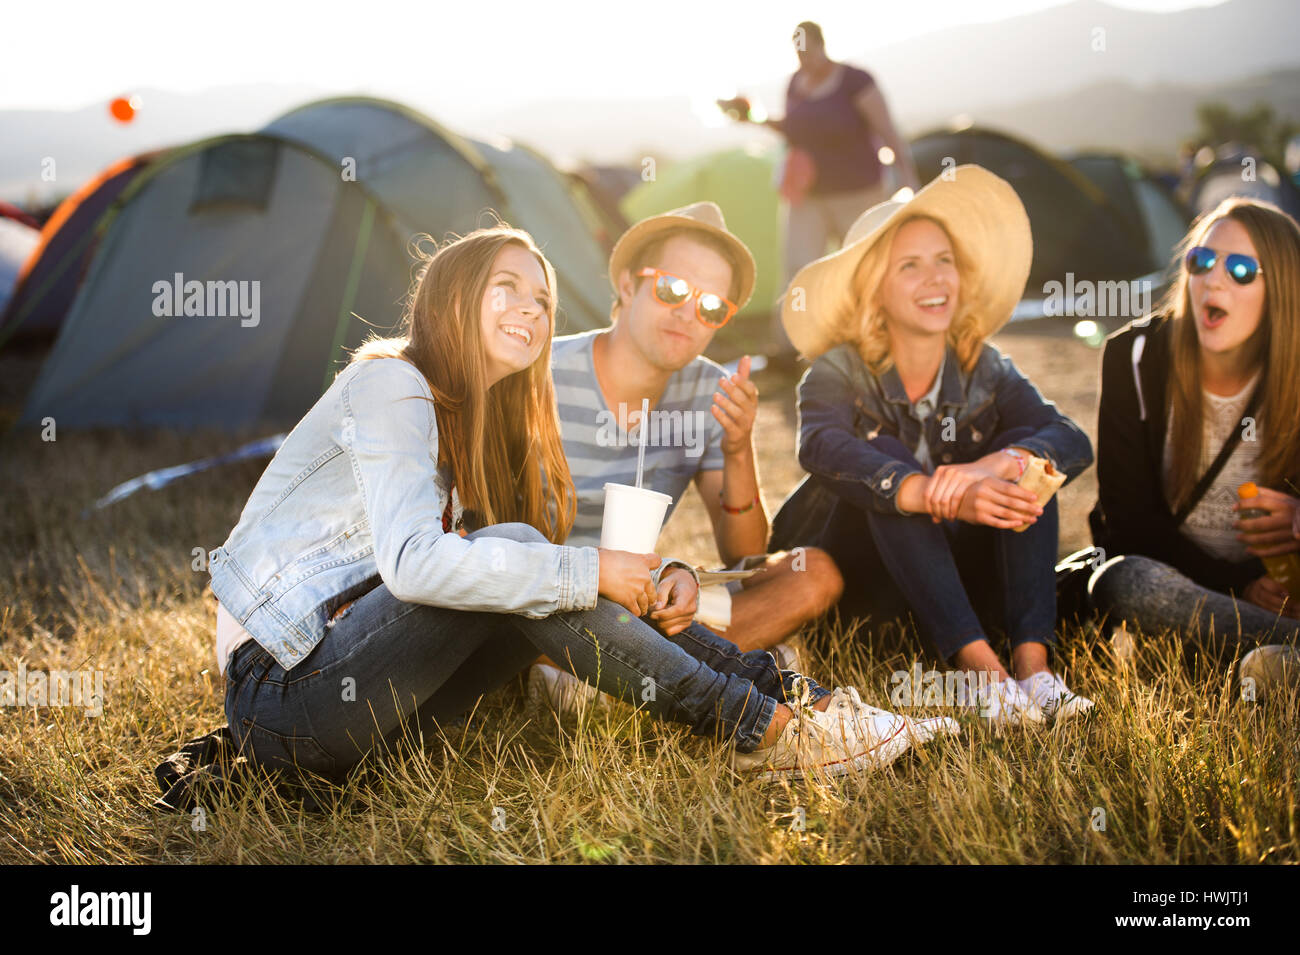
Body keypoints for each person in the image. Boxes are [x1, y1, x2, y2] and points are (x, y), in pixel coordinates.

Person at [209, 224, 952, 788]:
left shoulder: (467, 411)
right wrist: (590, 567)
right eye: (508, 288)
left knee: (529, 559)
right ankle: (771, 726)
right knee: (528, 553)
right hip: (284, 695)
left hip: (381, 717)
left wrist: (641, 571)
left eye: (542, 300)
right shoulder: (391, 384)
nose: (531, 312)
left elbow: (498, 571)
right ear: (453, 292)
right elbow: (414, 565)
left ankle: (800, 703)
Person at [769, 166, 1096, 726]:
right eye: (910, 266)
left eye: (944, 261)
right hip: (867, 594)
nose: (935, 279)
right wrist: (930, 492)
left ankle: (1034, 670)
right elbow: (821, 447)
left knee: (1030, 463)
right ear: (875, 287)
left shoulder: (984, 366)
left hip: (959, 587)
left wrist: (995, 464)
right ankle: (982, 676)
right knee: (891, 463)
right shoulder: (837, 371)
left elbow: (1070, 438)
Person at [529, 201, 847, 711]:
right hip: (548, 593)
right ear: (629, 286)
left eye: (711, 306)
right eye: (672, 289)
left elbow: (740, 553)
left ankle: (606, 680)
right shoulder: (541, 374)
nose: (688, 313)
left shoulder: (710, 389)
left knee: (814, 572)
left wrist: (739, 448)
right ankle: (705, 663)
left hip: (643, 597)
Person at [1088, 197, 1300, 695]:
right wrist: (1243, 586)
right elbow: (1128, 522)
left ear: (1283, 290)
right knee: (1123, 581)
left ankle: (1279, 661)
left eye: (1243, 269)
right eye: (1202, 261)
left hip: (1287, 594)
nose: (1214, 279)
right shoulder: (1135, 358)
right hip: (1188, 597)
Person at [729, 20, 920, 356]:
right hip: (808, 196)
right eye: (798, 52)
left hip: (860, 192)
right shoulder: (795, 85)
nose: (803, 59)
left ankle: (884, 341)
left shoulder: (856, 82)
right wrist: (754, 118)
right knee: (798, 268)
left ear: (821, 45)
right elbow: (793, 131)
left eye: (807, 50)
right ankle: (790, 349)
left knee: (868, 267)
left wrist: (908, 179)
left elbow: (888, 131)